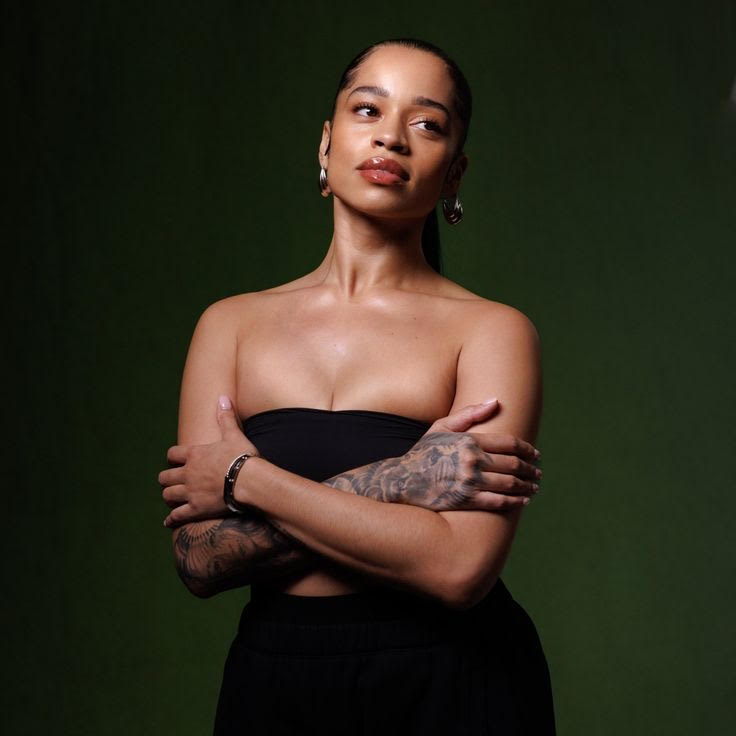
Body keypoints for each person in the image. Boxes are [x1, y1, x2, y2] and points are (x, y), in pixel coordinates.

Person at [157, 38, 555, 735]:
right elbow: (199, 560)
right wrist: (404, 479)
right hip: (274, 682)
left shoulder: (493, 331)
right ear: (326, 141)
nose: (391, 137)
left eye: (426, 123)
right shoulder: (229, 325)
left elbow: (458, 569)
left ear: (454, 172)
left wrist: (245, 479)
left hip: (451, 681)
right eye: (367, 109)